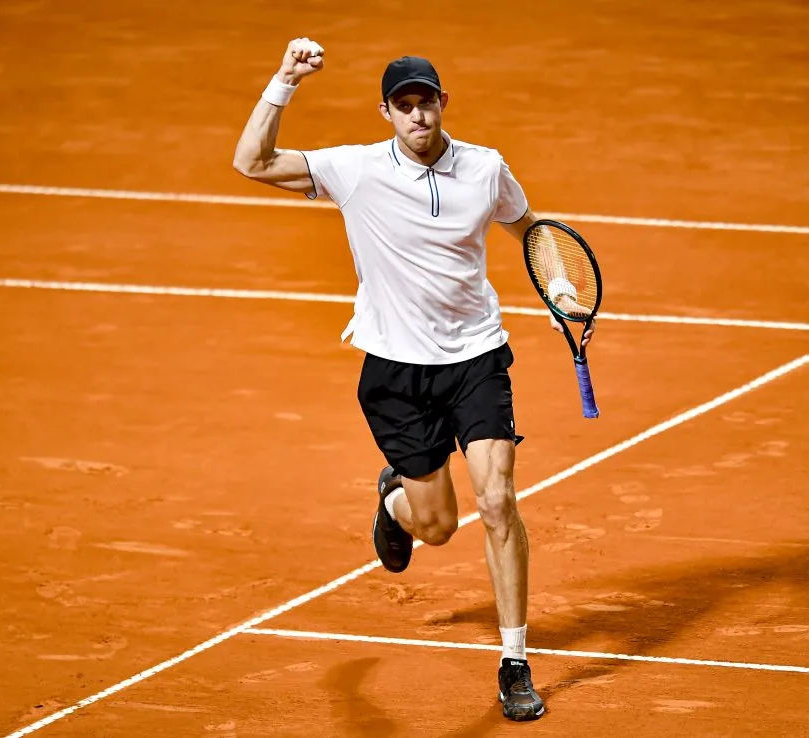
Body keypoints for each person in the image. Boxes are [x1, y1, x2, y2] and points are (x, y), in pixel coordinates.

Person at [232, 37, 594, 722]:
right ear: (387, 113)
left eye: (426, 102)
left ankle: (514, 661)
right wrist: (284, 80)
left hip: (477, 359)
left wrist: (557, 287)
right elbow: (251, 162)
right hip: (396, 372)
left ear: (442, 102)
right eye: (404, 106)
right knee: (438, 527)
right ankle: (395, 502)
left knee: (498, 501)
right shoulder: (355, 170)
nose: (418, 116)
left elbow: (526, 225)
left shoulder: (485, 167)